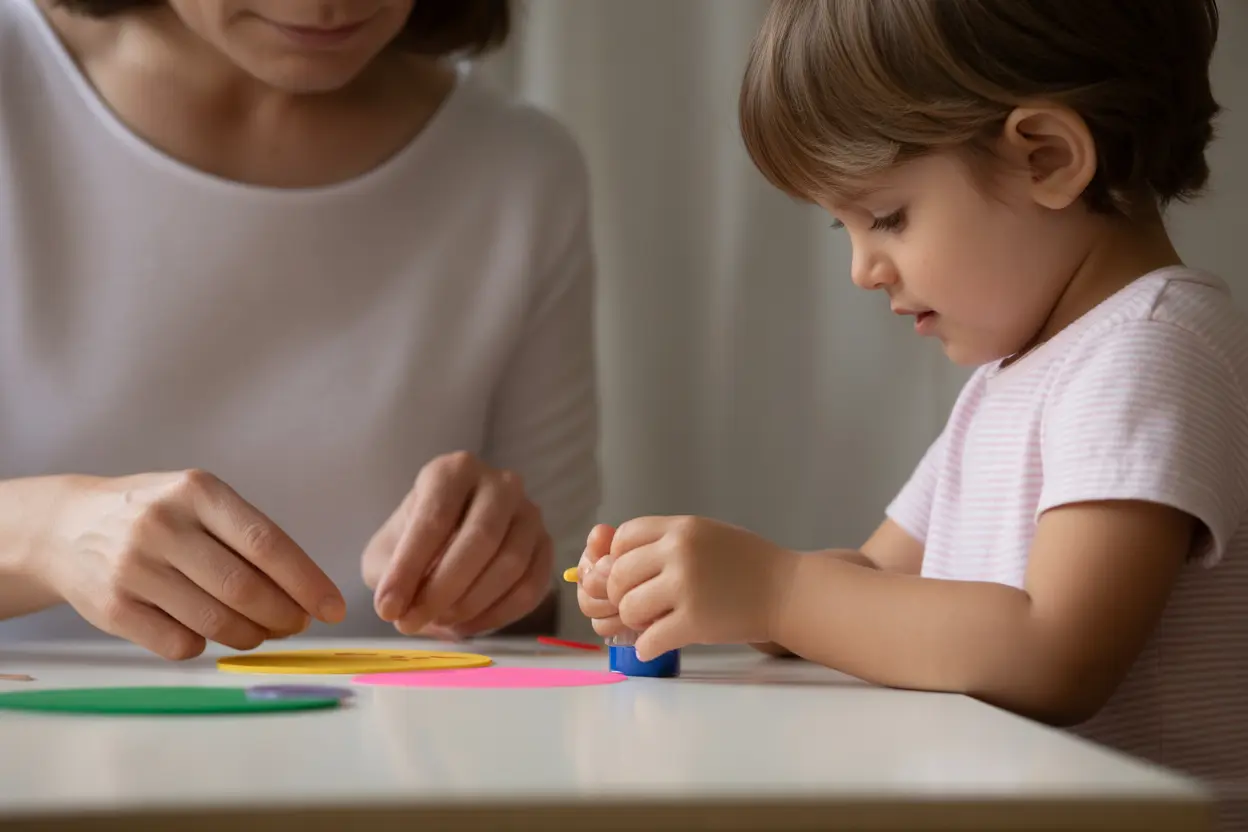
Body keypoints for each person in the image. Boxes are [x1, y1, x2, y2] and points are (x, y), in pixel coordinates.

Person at [577, 0, 1248, 826]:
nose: (863, 269)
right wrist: (703, 590)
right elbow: (874, 589)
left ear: (1046, 157)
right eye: (845, 228)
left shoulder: (1150, 347)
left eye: (887, 216)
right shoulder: (1015, 378)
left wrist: (779, 591)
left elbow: (1054, 655)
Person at [0, 0, 600, 657]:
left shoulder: (517, 169)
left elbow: (543, 622)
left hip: (381, 745)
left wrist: (492, 571)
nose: (328, 5)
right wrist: (47, 533)